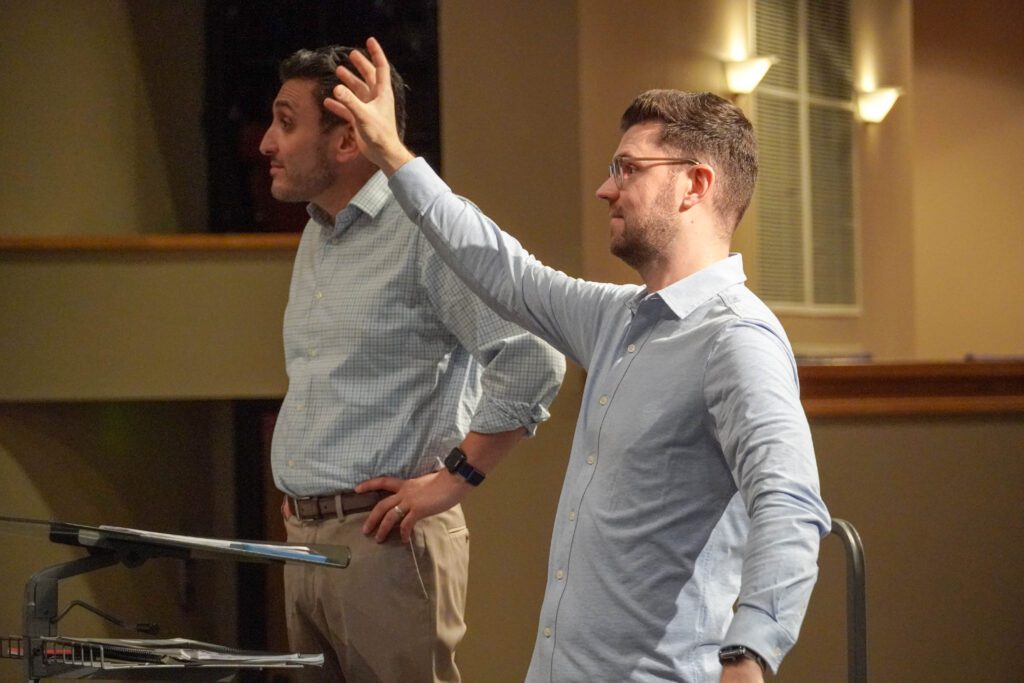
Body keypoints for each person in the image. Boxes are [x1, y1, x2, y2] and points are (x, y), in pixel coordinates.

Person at [326, 39, 832, 683]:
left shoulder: (738, 341)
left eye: (628, 169)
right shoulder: (617, 317)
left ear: (694, 185)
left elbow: (789, 504)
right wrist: (392, 155)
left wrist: (750, 653)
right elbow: (503, 271)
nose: (605, 189)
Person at [260, 45, 565, 683]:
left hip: (385, 546)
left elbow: (533, 357)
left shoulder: (426, 229)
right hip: (303, 539)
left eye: (286, 123)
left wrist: (456, 479)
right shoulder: (320, 229)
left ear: (347, 139)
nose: (266, 142)